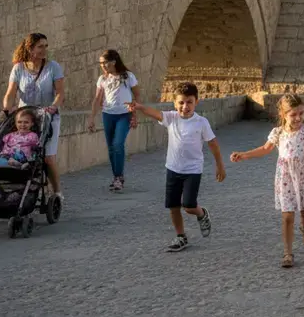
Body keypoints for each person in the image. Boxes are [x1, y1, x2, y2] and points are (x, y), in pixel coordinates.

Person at [129, 83, 225, 252]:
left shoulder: (201, 122)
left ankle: (201, 213)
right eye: (181, 102)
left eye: (189, 102)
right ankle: (181, 236)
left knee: (188, 206)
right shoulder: (171, 118)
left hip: (193, 170)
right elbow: (155, 114)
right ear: (175, 103)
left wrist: (220, 165)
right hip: (173, 168)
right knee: (173, 206)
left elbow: (213, 144)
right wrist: (139, 106)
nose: (185, 106)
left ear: (196, 102)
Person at [230, 92, 304, 268]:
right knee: (287, 216)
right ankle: (288, 253)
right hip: (285, 178)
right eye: (293, 114)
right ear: (283, 115)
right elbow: (265, 148)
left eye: (301, 113)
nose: (298, 118)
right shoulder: (278, 133)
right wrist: (244, 155)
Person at [2, 33, 65, 201]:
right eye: (40, 46)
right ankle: (21, 189)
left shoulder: (53, 67)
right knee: (21, 152)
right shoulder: (18, 68)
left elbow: (60, 93)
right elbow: (10, 93)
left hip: (48, 117)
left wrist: (53, 106)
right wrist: (6, 109)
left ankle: (57, 192)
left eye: (46, 46)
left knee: (48, 158)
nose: (44, 50)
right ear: (30, 48)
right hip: (26, 118)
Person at [87, 50, 140, 192]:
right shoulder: (102, 79)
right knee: (111, 147)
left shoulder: (128, 76)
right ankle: (117, 176)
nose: (102, 65)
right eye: (101, 63)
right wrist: (91, 118)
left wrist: (135, 116)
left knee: (118, 144)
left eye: (105, 62)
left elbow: (137, 96)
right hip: (108, 114)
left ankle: (118, 177)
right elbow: (97, 99)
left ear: (114, 62)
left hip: (124, 114)